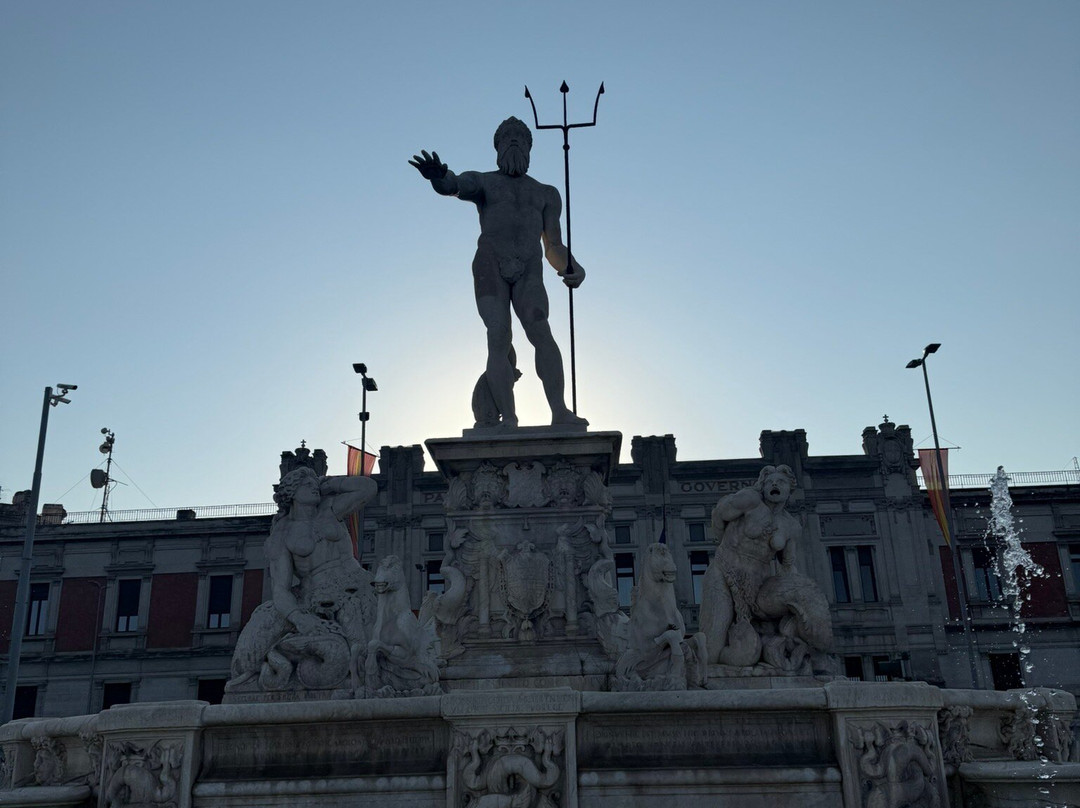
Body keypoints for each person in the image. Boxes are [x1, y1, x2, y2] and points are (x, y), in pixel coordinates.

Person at [410, 116, 588, 429]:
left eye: (520, 138)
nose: (514, 142)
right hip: (491, 263)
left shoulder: (546, 193)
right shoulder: (484, 181)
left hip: (529, 267)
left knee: (540, 329)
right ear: (498, 147)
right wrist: (438, 177)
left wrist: (572, 267)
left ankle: (560, 411)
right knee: (499, 335)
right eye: (508, 138)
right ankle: (509, 416)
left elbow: (554, 246)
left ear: (530, 149)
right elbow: (454, 185)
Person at [699, 464, 801, 664]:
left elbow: (788, 565)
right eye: (770, 482)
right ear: (762, 486)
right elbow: (718, 515)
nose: (774, 485)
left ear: (790, 489)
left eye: (781, 482)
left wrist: (794, 599)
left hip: (757, 587)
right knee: (715, 638)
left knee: (757, 644)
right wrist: (725, 548)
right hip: (724, 572)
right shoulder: (750, 500)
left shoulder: (791, 526)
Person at [265, 467, 377, 635]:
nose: (314, 487)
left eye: (315, 484)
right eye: (307, 485)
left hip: (358, 583)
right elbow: (280, 589)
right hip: (320, 596)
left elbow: (368, 487)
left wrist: (332, 484)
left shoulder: (330, 508)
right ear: (292, 492)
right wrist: (298, 618)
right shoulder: (282, 532)